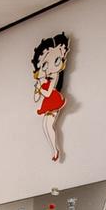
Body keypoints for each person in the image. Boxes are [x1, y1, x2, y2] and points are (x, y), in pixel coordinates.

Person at [32, 33, 69, 161]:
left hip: (54, 100)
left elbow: (47, 93)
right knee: (46, 126)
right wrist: (40, 86)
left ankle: (55, 150)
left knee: (48, 126)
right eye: (44, 65)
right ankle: (54, 150)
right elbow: (39, 95)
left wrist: (41, 88)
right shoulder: (45, 78)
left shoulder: (54, 76)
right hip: (48, 102)